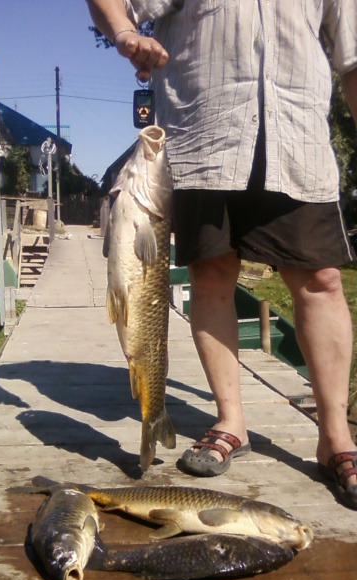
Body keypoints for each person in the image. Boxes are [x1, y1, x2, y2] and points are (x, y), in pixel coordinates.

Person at [85, 0, 357, 509]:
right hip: (203, 135)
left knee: (321, 280)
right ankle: (231, 421)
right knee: (210, 276)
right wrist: (123, 32)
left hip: (298, 137)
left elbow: (353, 58)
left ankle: (337, 436)